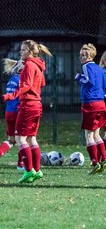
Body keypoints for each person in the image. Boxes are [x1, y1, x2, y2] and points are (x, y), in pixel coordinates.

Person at [2, 39, 52, 183]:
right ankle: (37, 170)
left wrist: (10, 96)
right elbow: (42, 83)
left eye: (23, 50)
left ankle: (29, 170)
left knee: (20, 138)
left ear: (30, 52)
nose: (20, 52)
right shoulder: (37, 65)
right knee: (31, 138)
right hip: (36, 105)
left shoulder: (29, 65)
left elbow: (26, 85)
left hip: (28, 105)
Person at [75, 43, 106, 175]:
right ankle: (104, 160)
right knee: (96, 134)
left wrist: (78, 77)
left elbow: (89, 81)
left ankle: (95, 163)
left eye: (83, 55)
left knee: (89, 135)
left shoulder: (86, 67)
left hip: (90, 104)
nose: (80, 57)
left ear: (89, 55)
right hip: (101, 103)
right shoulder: (100, 69)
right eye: (80, 55)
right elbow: (104, 85)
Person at [0, 58, 24, 170]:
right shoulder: (22, 80)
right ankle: (21, 164)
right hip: (17, 112)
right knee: (22, 139)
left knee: (11, 140)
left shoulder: (12, 79)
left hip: (8, 111)